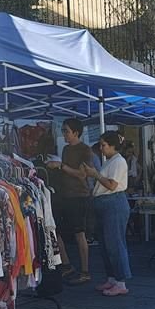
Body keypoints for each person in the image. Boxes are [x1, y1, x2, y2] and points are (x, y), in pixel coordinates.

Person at [83, 131, 131, 297]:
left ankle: (121, 282)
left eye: (104, 145)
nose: (101, 148)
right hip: (105, 203)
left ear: (112, 146)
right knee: (105, 244)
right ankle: (112, 278)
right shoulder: (110, 161)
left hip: (113, 203)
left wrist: (95, 174)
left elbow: (111, 185)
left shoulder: (119, 162)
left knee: (115, 243)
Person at [47, 119, 93, 285]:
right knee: (57, 229)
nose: (64, 134)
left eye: (66, 131)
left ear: (76, 132)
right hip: (65, 195)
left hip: (79, 196)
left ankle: (85, 271)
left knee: (79, 233)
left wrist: (61, 166)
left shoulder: (85, 150)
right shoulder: (66, 149)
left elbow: (82, 174)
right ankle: (67, 265)